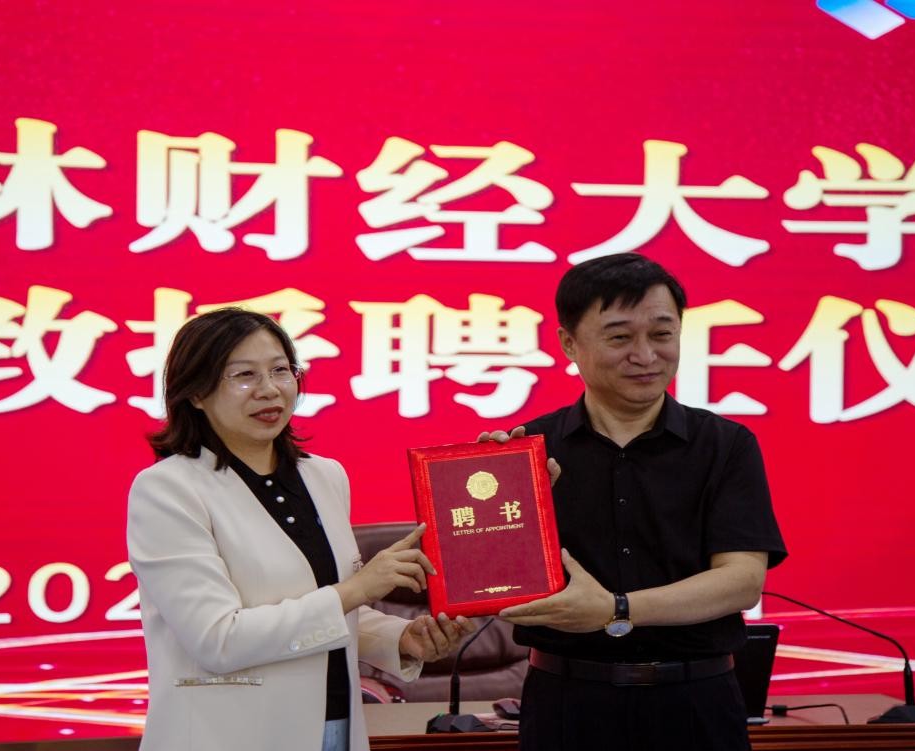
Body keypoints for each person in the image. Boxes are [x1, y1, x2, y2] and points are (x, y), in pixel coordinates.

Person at [128, 308, 475, 751]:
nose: (269, 389)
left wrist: (401, 638)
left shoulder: (324, 476)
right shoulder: (167, 489)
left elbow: (325, 608)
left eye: (280, 370)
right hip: (229, 735)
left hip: (334, 726)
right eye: (244, 375)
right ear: (196, 392)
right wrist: (359, 588)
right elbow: (218, 639)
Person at [482, 254, 787, 750]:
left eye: (662, 334)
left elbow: (741, 582)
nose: (645, 355)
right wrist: (493, 501)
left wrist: (615, 609)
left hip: (698, 704)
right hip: (566, 704)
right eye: (620, 337)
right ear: (569, 343)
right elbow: (498, 583)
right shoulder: (529, 451)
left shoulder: (725, 445)